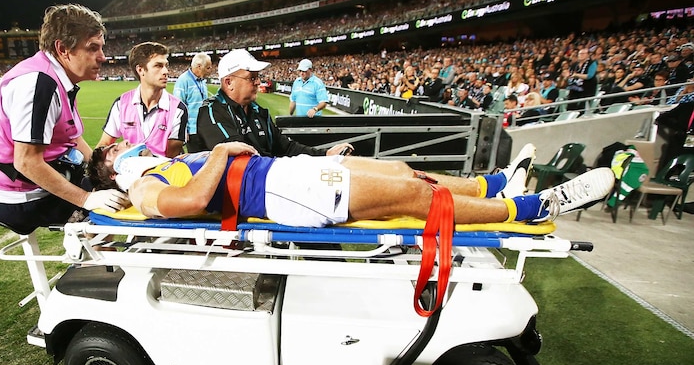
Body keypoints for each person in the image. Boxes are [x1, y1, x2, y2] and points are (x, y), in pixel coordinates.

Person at [87, 140, 614, 228]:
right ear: (113, 170)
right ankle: (530, 207)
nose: (124, 149)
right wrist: (222, 152)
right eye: (114, 153)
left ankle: (493, 182)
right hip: (281, 194)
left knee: (404, 174)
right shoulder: (142, 187)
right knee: (412, 198)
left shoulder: (164, 161)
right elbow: (191, 203)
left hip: (285, 176)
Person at [0, 3, 122, 235]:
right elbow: (26, 162)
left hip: (35, 182)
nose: (102, 57)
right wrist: (85, 199)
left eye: (101, 47)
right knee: (115, 213)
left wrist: (99, 167)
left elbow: (72, 137)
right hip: (18, 196)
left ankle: (99, 260)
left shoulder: (55, 78)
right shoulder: (38, 85)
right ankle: (92, 262)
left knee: (117, 187)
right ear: (63, 49)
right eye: (93, 48)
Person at [189, 49, 351, 156]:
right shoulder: (211, 112)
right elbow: (245, 161)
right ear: (229, 82)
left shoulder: (258, 111)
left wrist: (325, 155)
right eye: (251, 77)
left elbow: (286, 147)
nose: (258, 82)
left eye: (258, 77)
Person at [98, 41, 188, 158]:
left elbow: (171, 158)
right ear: (140, 70)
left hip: (161, 174)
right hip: (128, 173)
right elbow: (104, 144)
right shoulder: (121, 104)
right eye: (158, 66)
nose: (166, 71)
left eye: (166, 65)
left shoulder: (178, 109)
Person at [173, 52, 213, 142]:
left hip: (205, 129)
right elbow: (178, 108)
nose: (210, 70)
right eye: (208, 68)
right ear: (199, 66)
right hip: (192, 131)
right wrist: (184, 130)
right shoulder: (183, 80)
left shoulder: (202, 81)